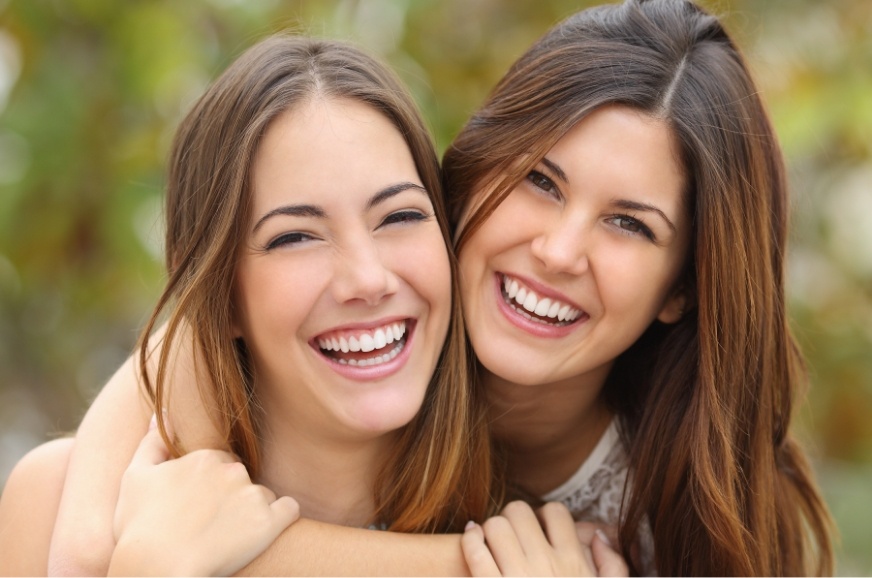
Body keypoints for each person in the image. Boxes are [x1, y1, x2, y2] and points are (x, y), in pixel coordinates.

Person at [2, 0, 835, 575]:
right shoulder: (390, 319)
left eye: (630, 224)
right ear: (466, 181)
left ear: (681, 288)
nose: (556, 249)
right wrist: (94, 541)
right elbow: (188, 333)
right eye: (541, 182)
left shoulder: (664, 512)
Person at [0, 34, 511, 576]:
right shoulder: (58, 505)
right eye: (295, 237)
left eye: (400, 216)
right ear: (221, 300)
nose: (367, 278)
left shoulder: (534, 531)